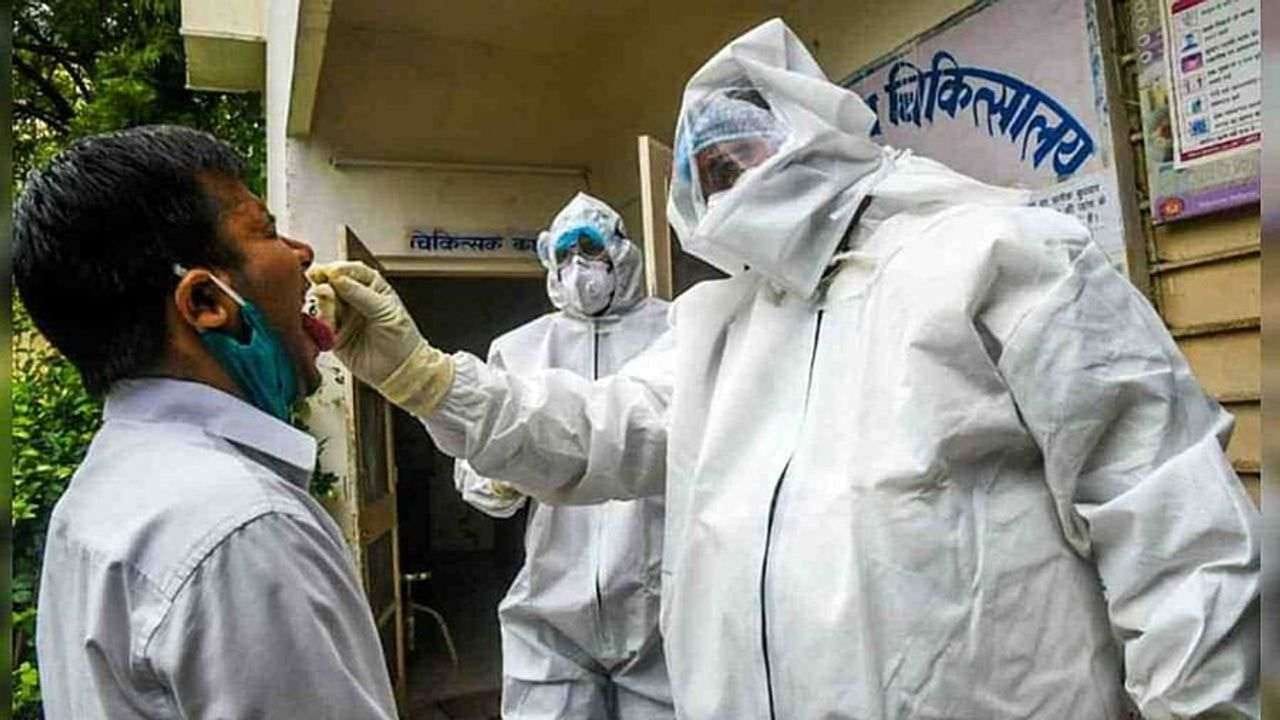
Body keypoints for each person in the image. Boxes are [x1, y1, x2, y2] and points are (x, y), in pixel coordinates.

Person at [309, 18, 1260, 720]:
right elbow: (595, 434)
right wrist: (426, 379)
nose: (730, 187)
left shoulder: (1002, 257)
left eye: (742, 154)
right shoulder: (720, 325)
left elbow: (1170, 524)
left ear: (817, 125)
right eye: (710, 176)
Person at [14, 125, 397, 719]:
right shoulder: (246, 528)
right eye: (266, 231)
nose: (302, 253)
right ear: (205, 303)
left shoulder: (103, 489)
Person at [453, 192, 675, 718]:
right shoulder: (520, 347)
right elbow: (476, 463)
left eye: (591, 250)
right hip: (553, 593)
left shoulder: (674, 331)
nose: (580, 268)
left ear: (621, 251)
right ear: (549, 261)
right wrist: (499, 475)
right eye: (566, 254)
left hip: (657, 593)